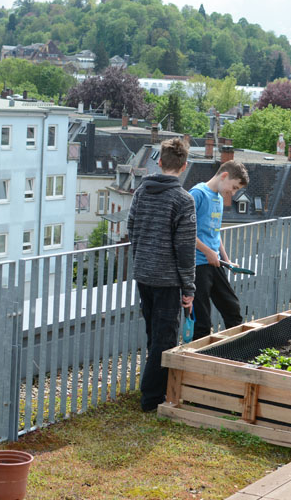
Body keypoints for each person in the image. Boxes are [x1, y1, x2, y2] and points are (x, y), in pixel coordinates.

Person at [127, 137, 197, 412]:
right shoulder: (183, 199)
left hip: (143, 273)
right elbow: (185, 248)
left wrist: (142, 257)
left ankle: (155, 390)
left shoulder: (141, 192)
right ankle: (152, 398)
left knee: (153, 335)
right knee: (165, 340)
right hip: (167, 279)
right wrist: (189, 288)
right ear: (184, 166)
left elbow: (131, 228)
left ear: (159, 163)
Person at [189, 160, 250, 340]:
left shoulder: (219, 199)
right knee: (202, 323)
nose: (233, 192)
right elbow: (185, 231)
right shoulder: (198, 194)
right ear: (224, 176)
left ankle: (235, 350)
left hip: (215, 263)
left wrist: (227, 259)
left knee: (233, 309)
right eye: (234, 187)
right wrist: (207, 252)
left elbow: (215, 233)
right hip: (197, 265)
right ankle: (198, 362)